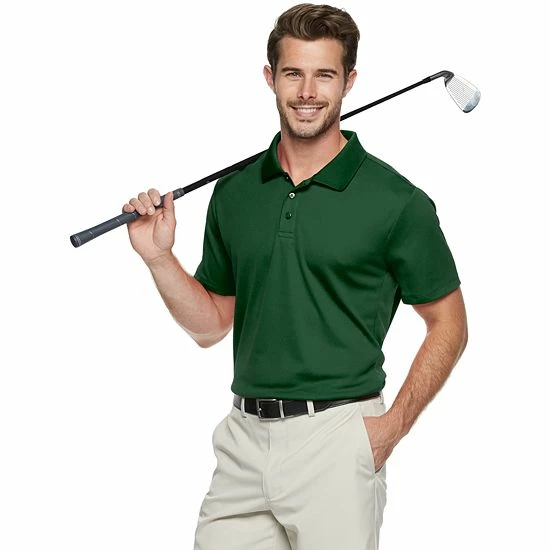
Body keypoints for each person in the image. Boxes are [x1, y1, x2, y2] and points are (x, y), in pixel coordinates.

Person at [122, 3, 468, 549]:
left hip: (337, 439)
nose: (307, 92)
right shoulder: (235, 193)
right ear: (270, 78)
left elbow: (449, 323)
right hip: (242, 441)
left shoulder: (397, 202)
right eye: (293, 74)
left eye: (324, 75)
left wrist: (392, 427)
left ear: (349, 81)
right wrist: (159, 258)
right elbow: (210, 326)